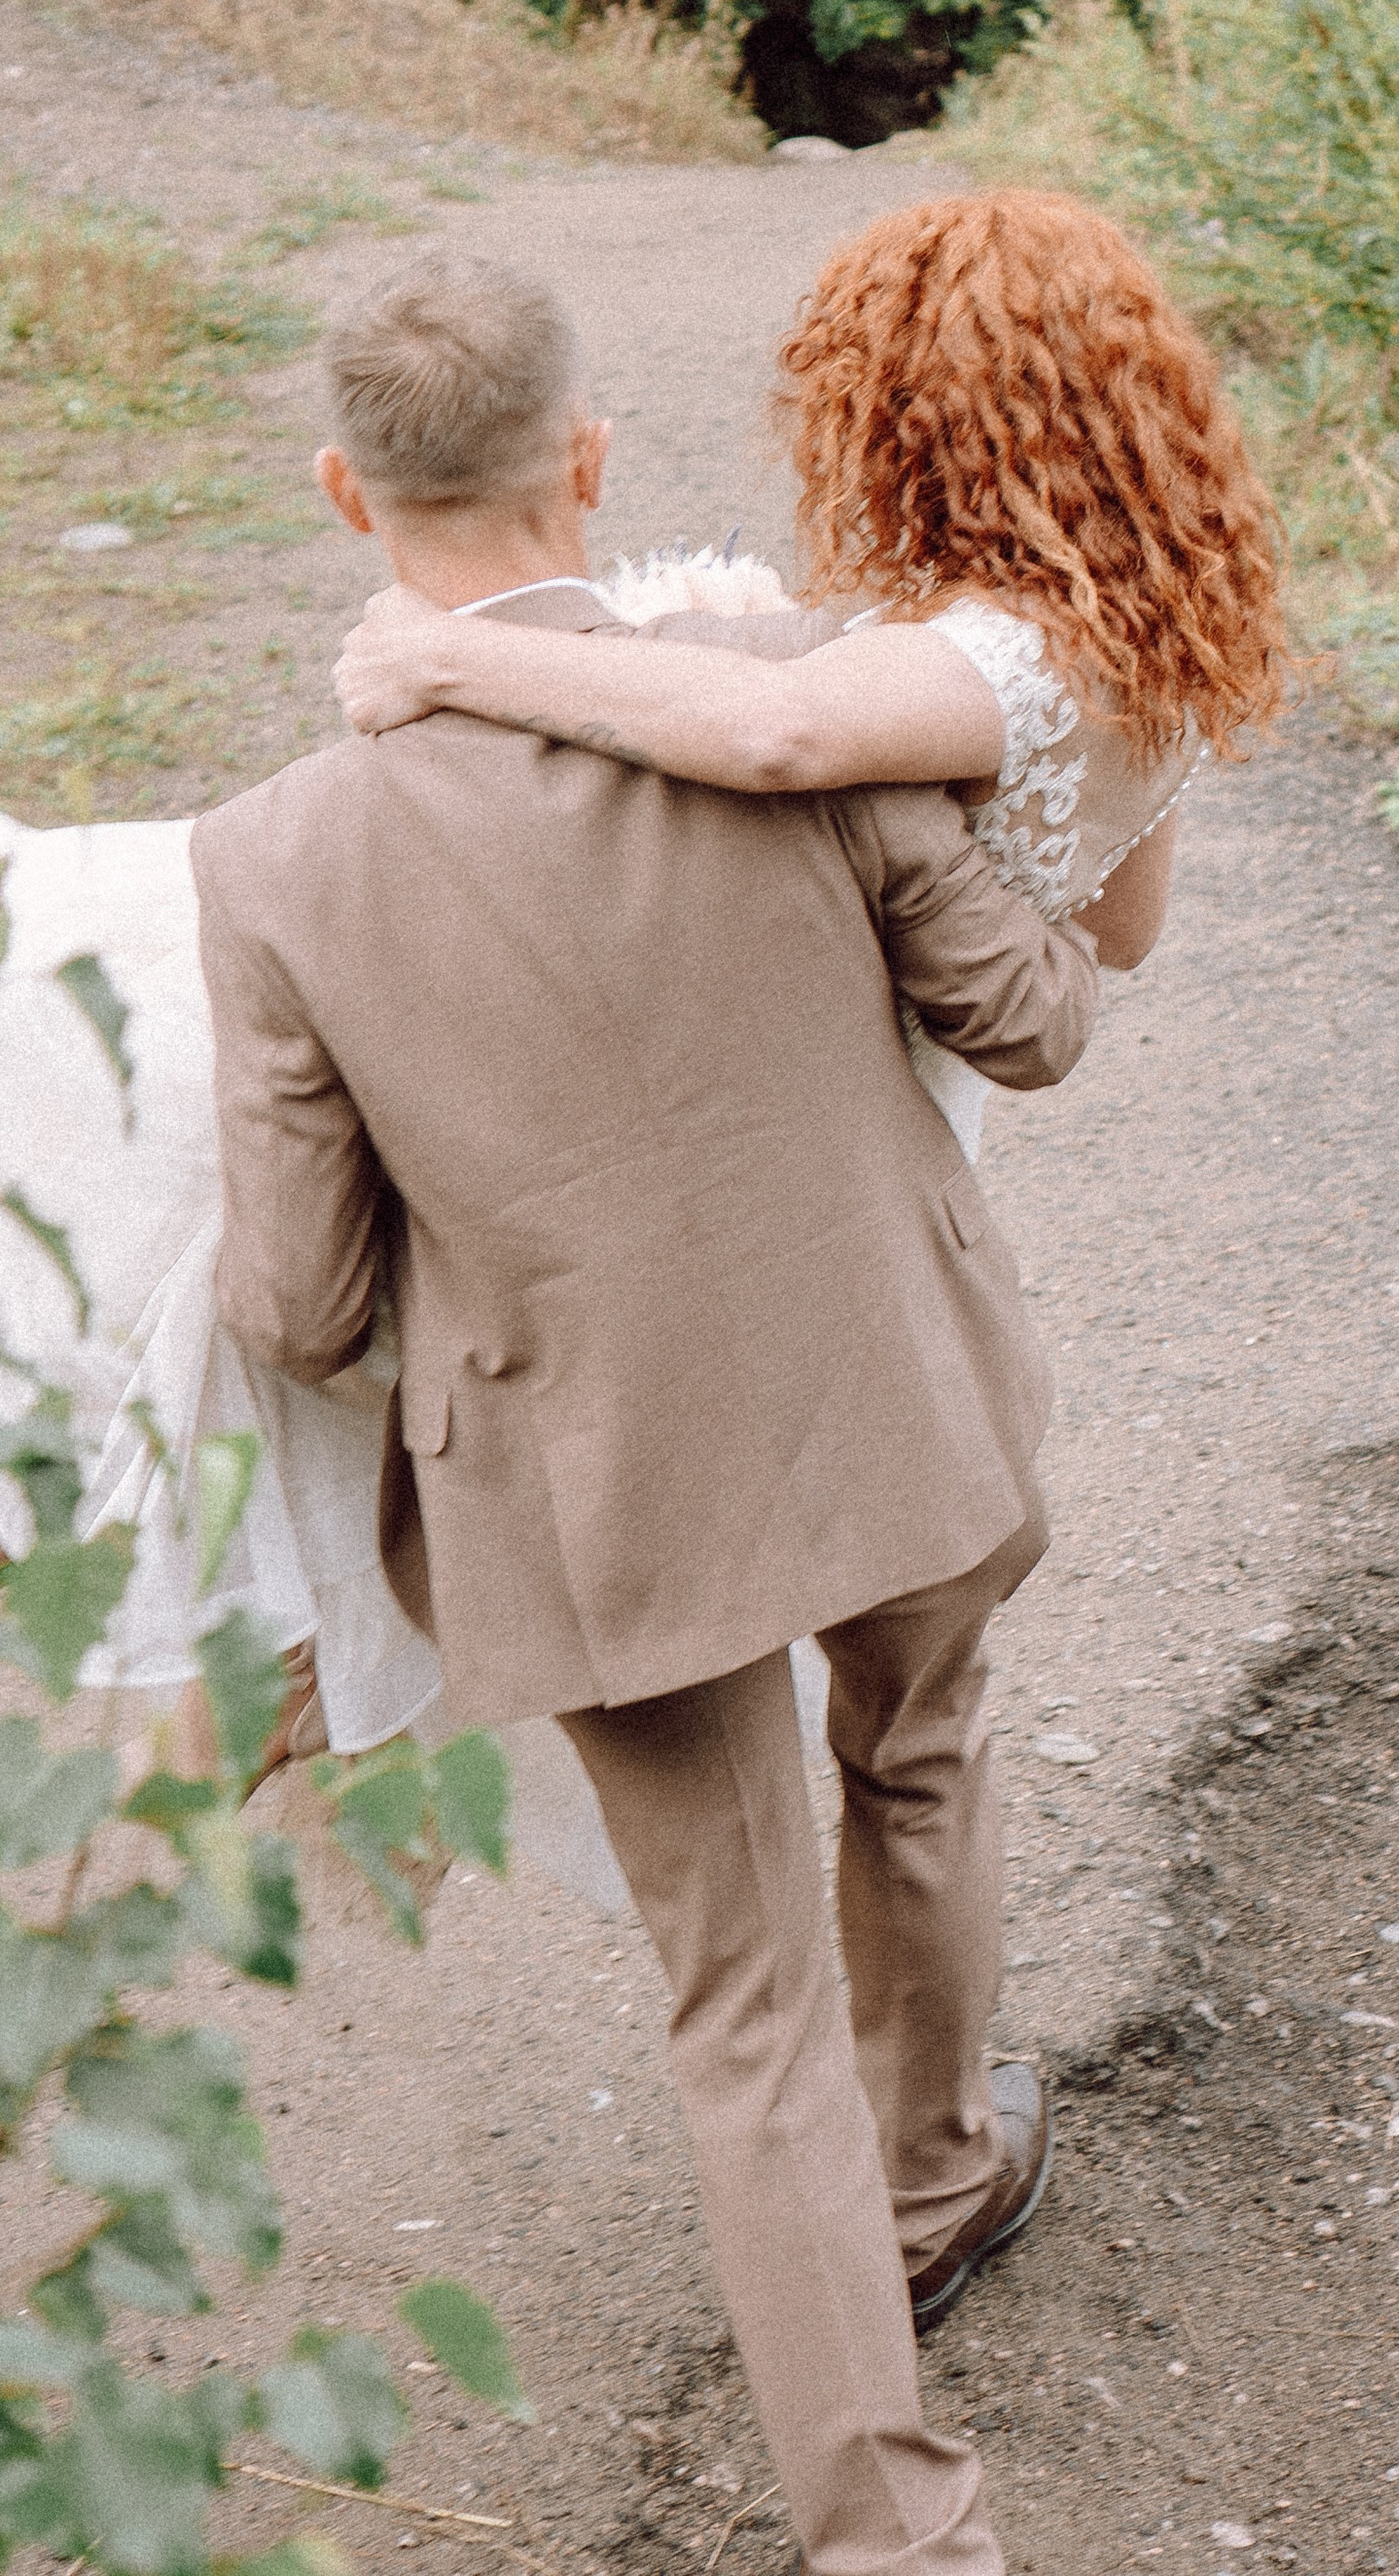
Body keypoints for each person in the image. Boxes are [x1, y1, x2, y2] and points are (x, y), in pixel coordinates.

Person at [193, 255, 1104, 2576]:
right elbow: (1033, 1020)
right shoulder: (788, 689)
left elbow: (296, 1309)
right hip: (900, 1404)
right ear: (589, 458)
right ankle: (934, 2178)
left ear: (340, 494)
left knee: (741, 2011)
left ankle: (896, 2536)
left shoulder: (277, 862)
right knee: (920, 1751)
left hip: (613, 1510)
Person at [331, 188, 1288, 1176]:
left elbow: (779, 732)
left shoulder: (998, 655)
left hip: (810, 1124)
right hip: (928, 1116)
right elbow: (1121, 932)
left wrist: (445, 653)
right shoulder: (1146, 630)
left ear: (913, 426)